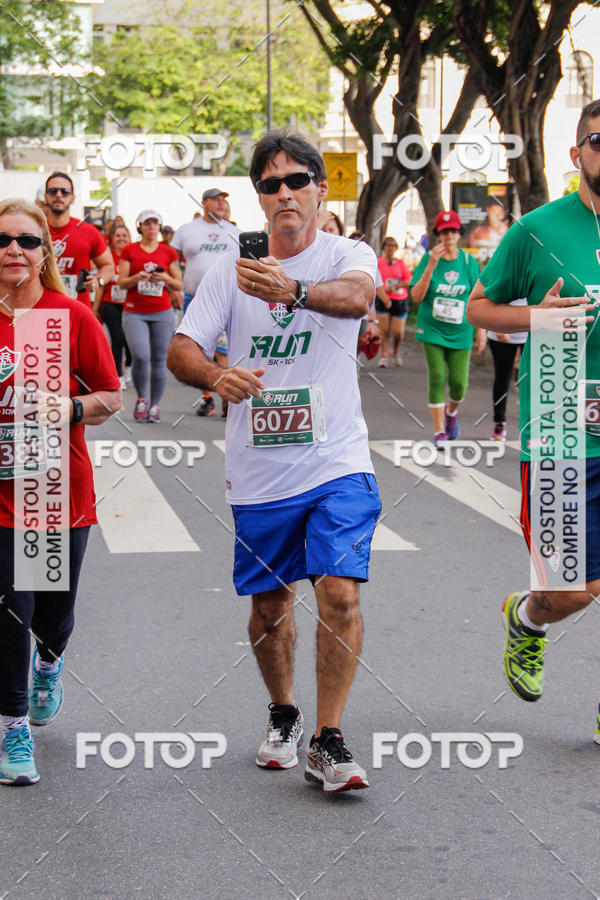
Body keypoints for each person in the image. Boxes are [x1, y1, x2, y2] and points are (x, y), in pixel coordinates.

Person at [168, 132, 380, 792]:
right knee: (270, 607)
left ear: (320, 188)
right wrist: (216, 375)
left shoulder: (347, 252)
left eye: (297, 180)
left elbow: (355, 299)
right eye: (269, 184)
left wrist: (292, 290)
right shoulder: (230, 265)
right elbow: (182, 349)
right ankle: (285, 712)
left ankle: (330, 737)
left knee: (340, 593)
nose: (284, 192)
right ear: (258, 199)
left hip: (337, 458)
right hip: (261, 468)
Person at [466, 99, 600, 729]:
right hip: (560, 439)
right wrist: (538, 318)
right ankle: (525, 617)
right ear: (577, 155)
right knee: (572, 591)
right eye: (599, 141)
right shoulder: (537, 230)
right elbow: (480, 309)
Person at [0, 199, 121, 786]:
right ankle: (12, 723)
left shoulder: (68, 315)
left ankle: (51, 662)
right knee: (10, 609)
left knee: (52, 613)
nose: (13, 250)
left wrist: (68, 406)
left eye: (27, 241)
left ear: (45, 251)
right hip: (1, 497)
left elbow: (110, 396)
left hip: (55, 489)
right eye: (3, 240)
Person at [410, 210, 485, 447]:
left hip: (460, 330)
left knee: (460, 383)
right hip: (432, 328)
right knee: (438, 376)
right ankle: (439, 431)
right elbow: (416, 296)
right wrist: (431, 266)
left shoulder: (467, 262)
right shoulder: (428, 259)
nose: (449, 235)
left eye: (452, 231)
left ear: (459, 233)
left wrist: (481, 329)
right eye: (444, 232)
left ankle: (451, 412)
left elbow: (479, 296)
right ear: (438, 236)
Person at [171, 189, 240, 417]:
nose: (221, 203)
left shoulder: (235, 232)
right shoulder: (186, 231)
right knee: (197, 351)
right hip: (194, 297)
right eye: (216, 199)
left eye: (224, 199)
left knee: (225, 349)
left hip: (228, 299)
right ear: (204, 203)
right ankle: (208, 397)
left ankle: (228, 396)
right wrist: (173, 287)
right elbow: (171, 260)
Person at [118, 209, 182, 423]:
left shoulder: (168, 251)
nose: (152, 228)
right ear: (140, 227)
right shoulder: (129, 250)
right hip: (135, 311)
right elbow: (122, 282)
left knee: (159, 359)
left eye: (155, 224)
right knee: (141, 355)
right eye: (147, 224)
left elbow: (179, 283)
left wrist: (163, 277)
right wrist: (139, 277)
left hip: (161, 311)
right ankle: (141, 398)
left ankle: (154, 405)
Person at [44, 172, 114, 308]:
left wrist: (98, 281)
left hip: (78, 308)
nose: (59, 195)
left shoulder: (88, 231)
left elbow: (108, 266)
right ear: (46, 197)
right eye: (53, 191)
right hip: (41, 308)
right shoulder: (33, 229)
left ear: (73, 198)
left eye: (65, 192)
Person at [94, 223, 133, 389]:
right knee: (117, 339)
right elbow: (101, 284)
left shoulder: (133, 256)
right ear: (112, 239)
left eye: (124, 235)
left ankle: (128, 364)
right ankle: (119, 375)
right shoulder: (108, 258)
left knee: (130, 341)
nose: (121, 238)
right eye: (118, 235)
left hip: (131, 305)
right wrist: (95, 308)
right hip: (110, 304)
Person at [487, 299, 527, 441]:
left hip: (529, 332)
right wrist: (497, 327)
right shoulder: (504, 275)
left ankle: (532, 424)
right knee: (502, 378)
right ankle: (499, 423)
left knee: (531, 379)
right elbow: (491, 297)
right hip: (502, 331)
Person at [376, 236, 411, 367]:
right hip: (382, 299)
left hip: (399, 300)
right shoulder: (378, 263)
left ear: (396, 248)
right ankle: (384, 355)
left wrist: (396, 286)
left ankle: (395, 350)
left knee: (398, 332)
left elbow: (408, 280)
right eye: (387, 245)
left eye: (393, 245)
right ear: (383, 247)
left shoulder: (400, 264)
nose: (390, 248)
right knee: (384, 330)